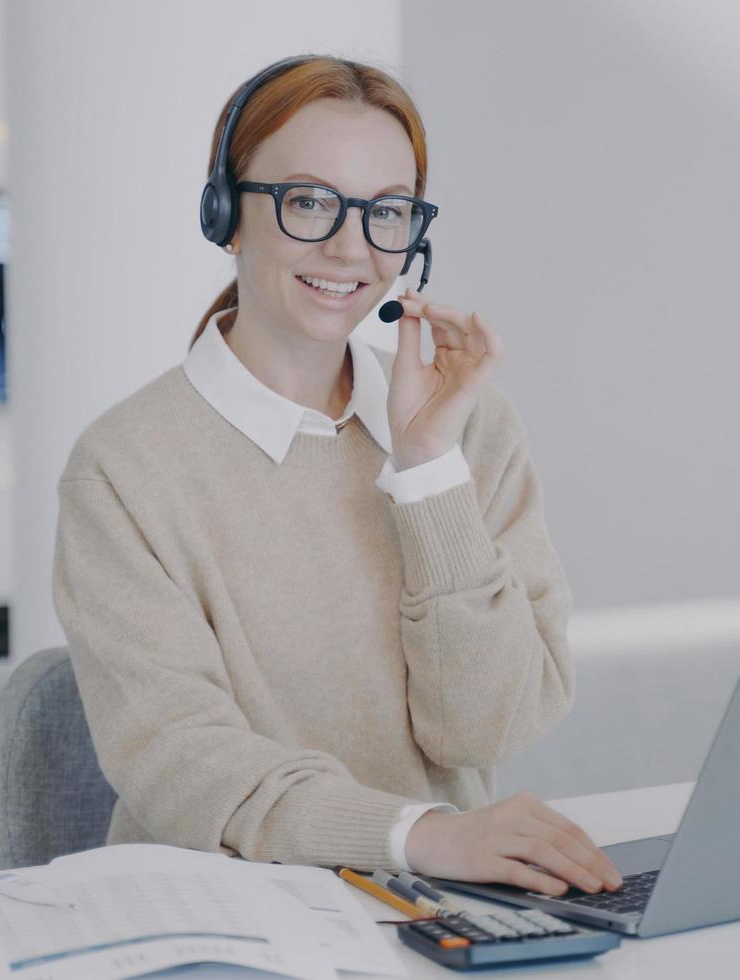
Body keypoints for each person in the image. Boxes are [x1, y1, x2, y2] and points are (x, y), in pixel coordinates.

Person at [52, 54, 622, 898]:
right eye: (310, 201)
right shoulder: (125, 466)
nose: (353, 248)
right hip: (223, 912)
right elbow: (181, 762)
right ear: (227, 214)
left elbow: (488, 726)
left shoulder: (470, 427)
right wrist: (413, 834)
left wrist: (429, 473)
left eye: (387, 212)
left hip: (440, 907)